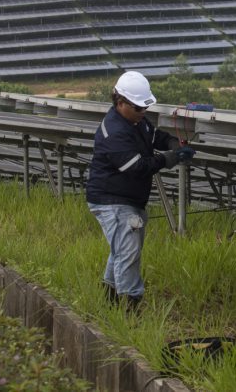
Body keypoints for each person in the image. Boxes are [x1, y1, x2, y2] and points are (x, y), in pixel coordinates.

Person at [86, 71, 195, 311]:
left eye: (145, 108)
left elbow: (154, 135)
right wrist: (170, 158)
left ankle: (109, 299)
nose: (143, 113)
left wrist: (173, 144)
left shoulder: (135, 121)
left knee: (121, 249)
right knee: (129, 252)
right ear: (120, 102)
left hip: (127, 198)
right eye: (138, 108)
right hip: (111, 200)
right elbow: (137, 167)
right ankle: (130, 306)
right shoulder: (114, 131)